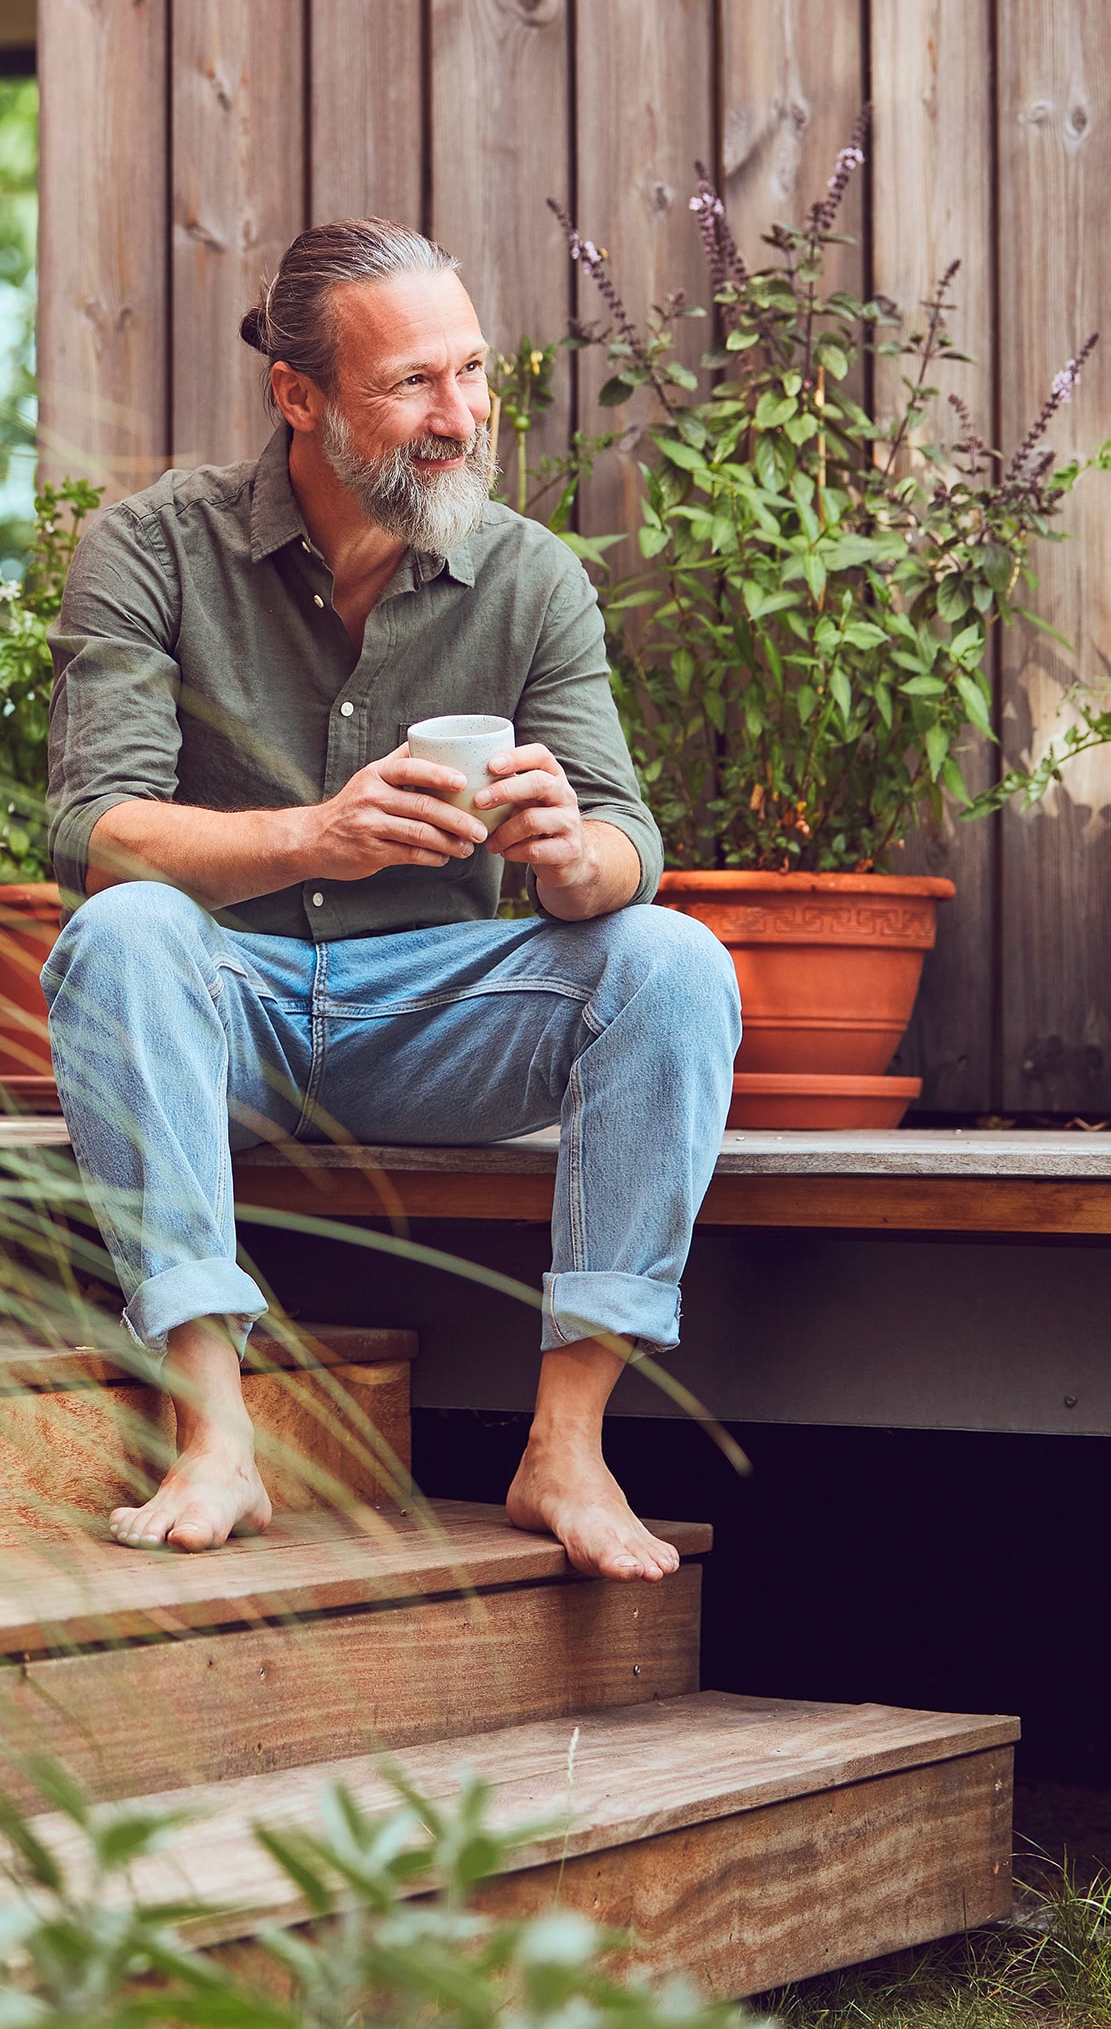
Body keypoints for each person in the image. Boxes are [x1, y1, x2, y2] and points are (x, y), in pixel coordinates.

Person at [41, 219, 739, 1581]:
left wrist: (564, 854)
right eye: (412, 383)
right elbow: (93, 830)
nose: (459, 417)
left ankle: (568, 1446)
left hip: (435, 1019)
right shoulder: (150, 550)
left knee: (671, 960)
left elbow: (624, 843)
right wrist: (314, 837)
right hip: (220, 1007)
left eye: (473, 374)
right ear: (300, 398)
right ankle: (215, 1431)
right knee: (118, 929)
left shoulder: (530, 576)